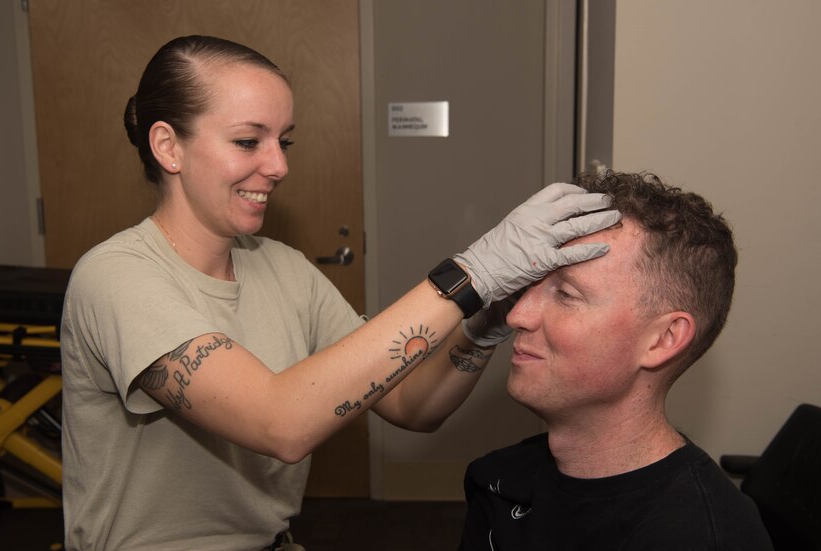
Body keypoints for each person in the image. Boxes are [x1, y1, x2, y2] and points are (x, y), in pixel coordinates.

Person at [59, 35, 620, 550]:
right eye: (248, 141)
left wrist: (480, 324)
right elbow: (280, 425)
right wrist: (471, 274)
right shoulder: (116, 277)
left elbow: (410, 404)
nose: (278, 166)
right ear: (168, 147)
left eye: (284, 141)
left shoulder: (284, 268)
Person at [457, 171, 774, 550]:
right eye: (530, 285)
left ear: (663, 339)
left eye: (567, 295)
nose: (516, 316)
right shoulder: (499, 478)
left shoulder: (702, 535)